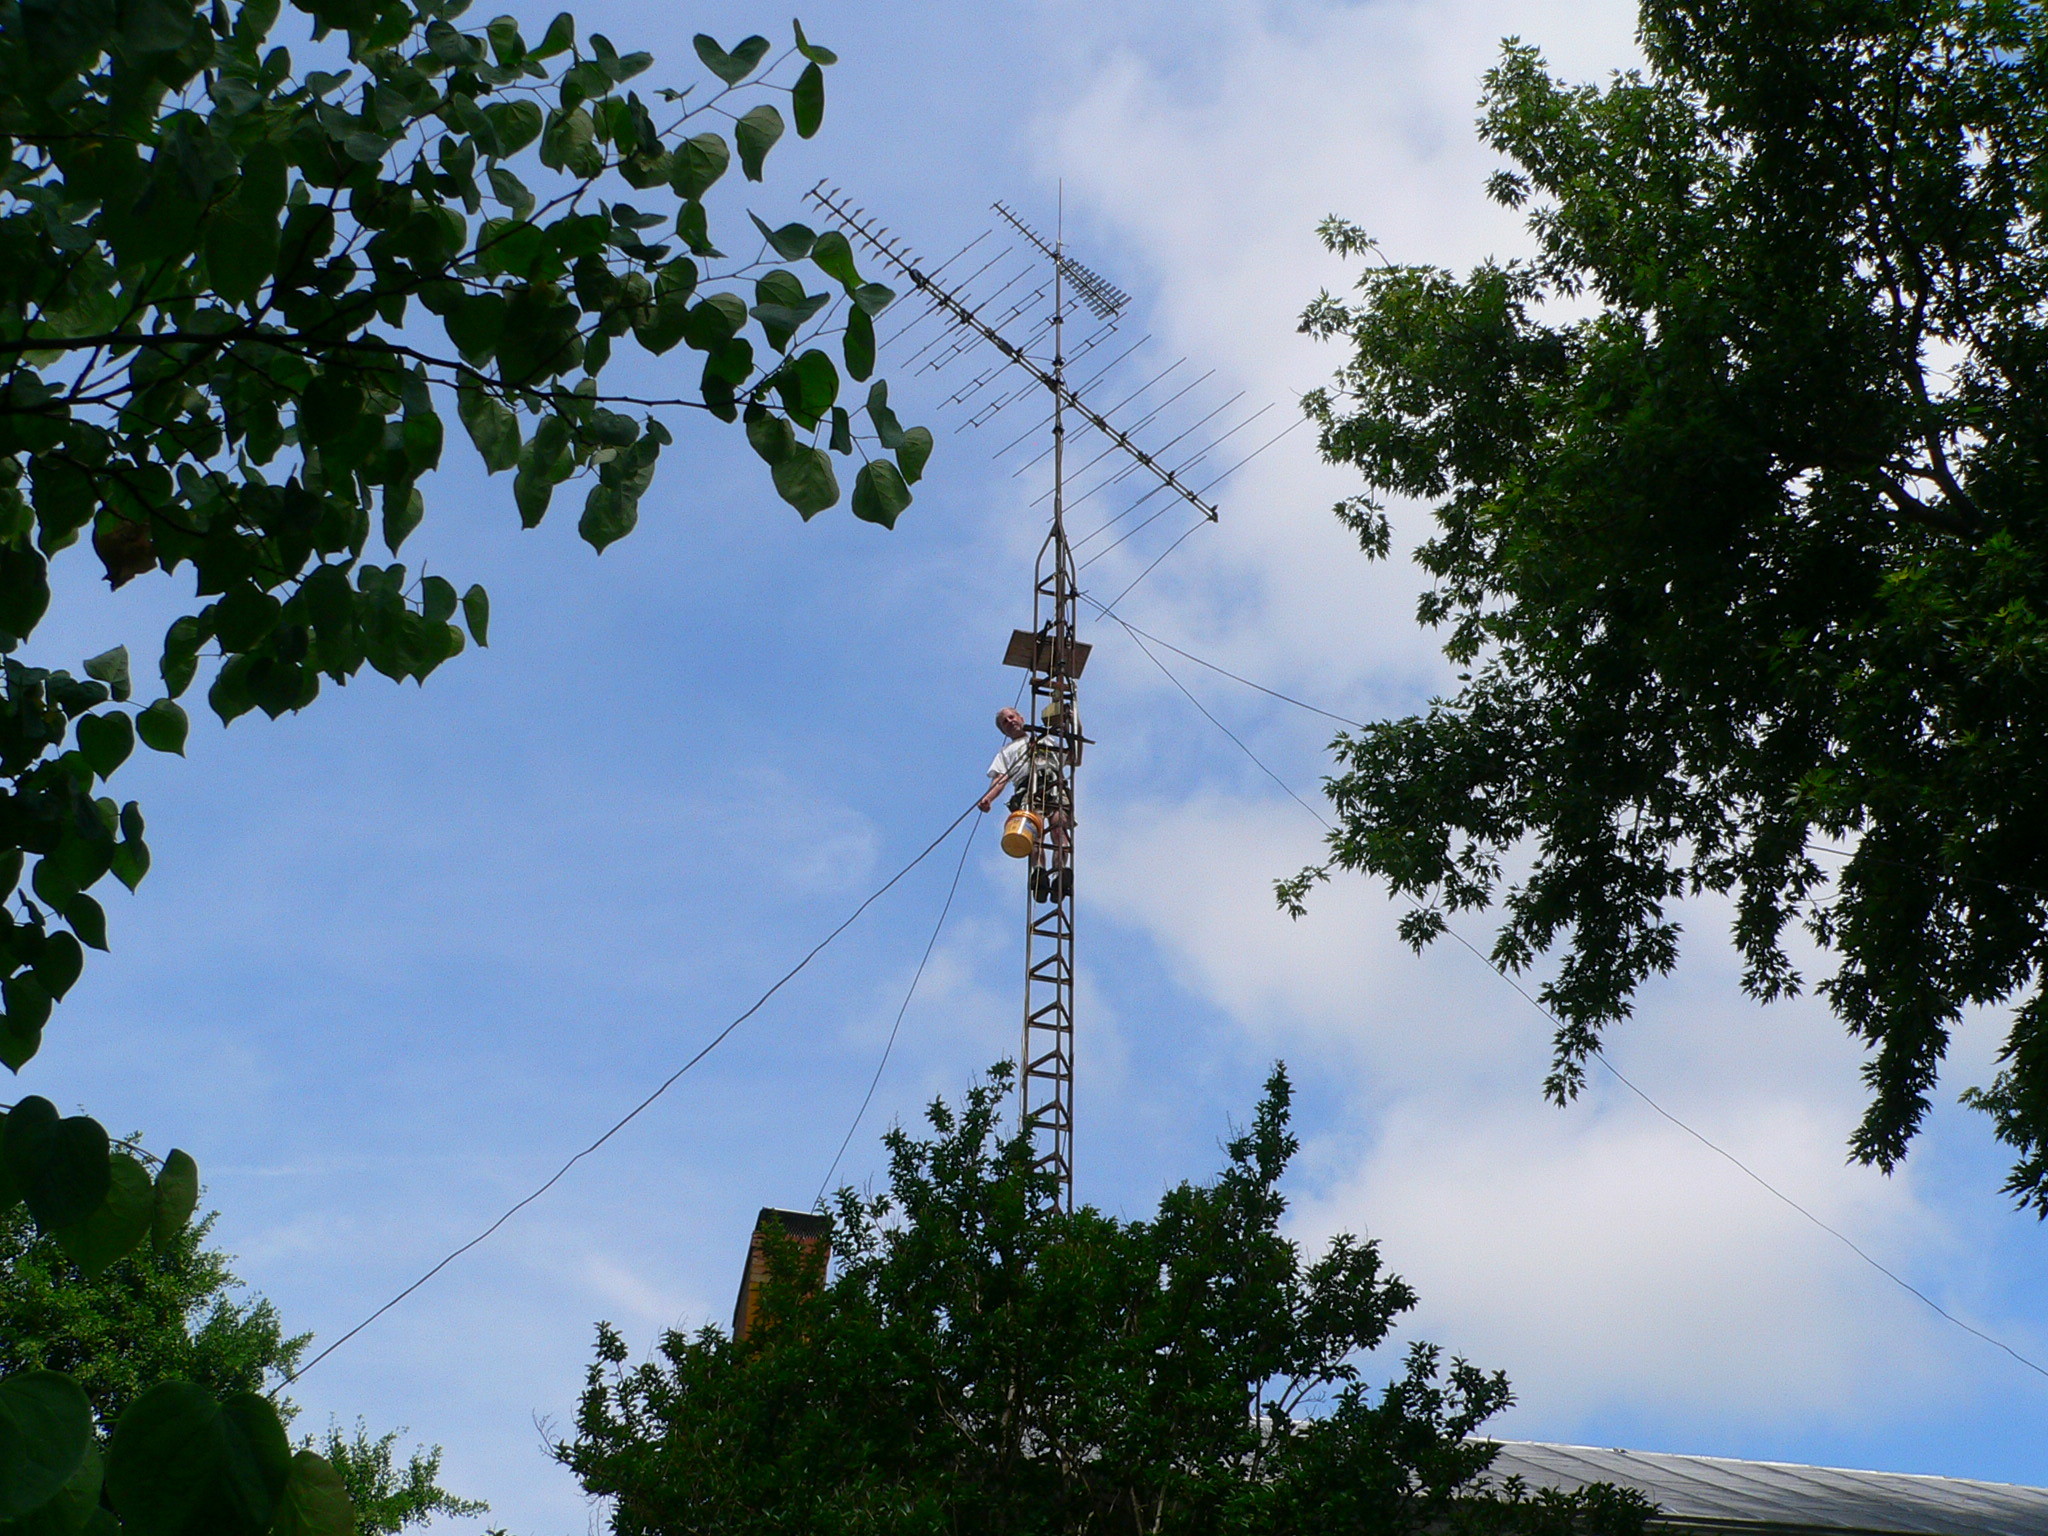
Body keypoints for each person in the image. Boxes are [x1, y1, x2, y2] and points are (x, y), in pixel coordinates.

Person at [979, 706, 1073, 901]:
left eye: (1011, 717)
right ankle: (1039, 873)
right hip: (1028, 792)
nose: (1010, 722)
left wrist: (1071, 723)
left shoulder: (1045, 738)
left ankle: (1060, 873)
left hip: (1054, 786)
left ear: (1020, 717)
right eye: (1005, 722)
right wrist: (989, 797)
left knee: (1059, 829)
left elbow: (1071, 758)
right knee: (1034, 836)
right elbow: (1001, 778)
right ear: (1004, 731)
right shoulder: (1007, 752)